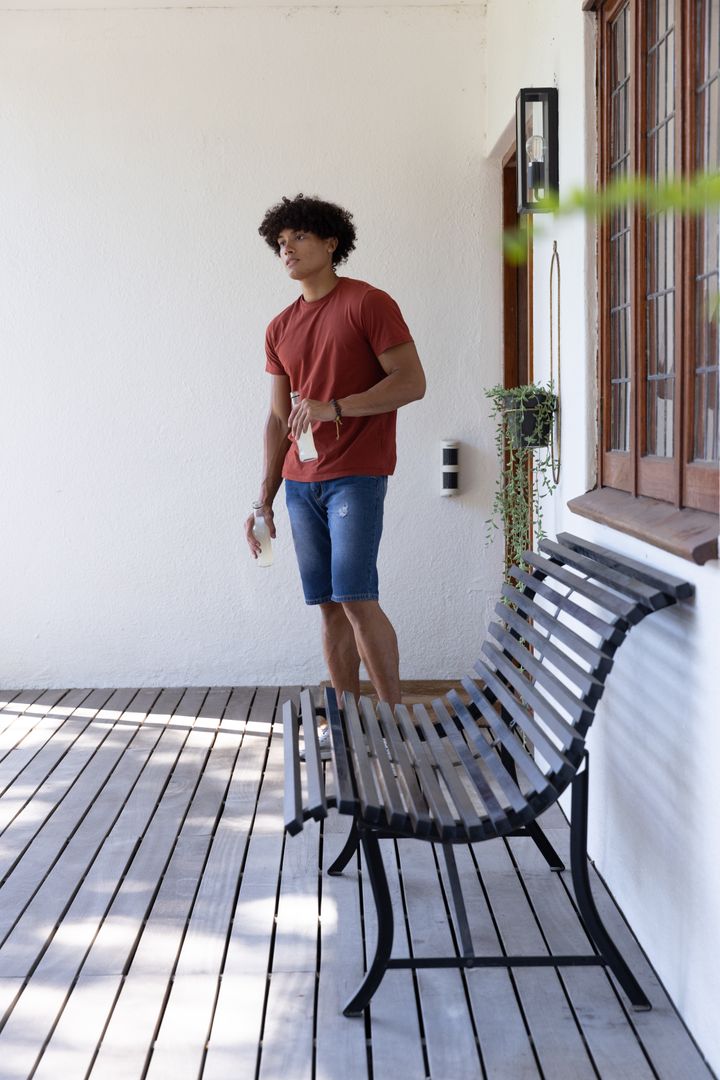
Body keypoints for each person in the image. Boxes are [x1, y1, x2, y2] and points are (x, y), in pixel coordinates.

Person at [246, 194, 426, 740]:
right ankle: (348, 719)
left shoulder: (367, 303)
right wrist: (263, 501)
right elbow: (279, 420)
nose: (288, 250)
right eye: (281, 243)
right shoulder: (279, 327)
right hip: (301, 485)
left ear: (331, 243)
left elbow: (411, 382)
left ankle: (392, 717)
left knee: (355, 595)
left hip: (357, 473)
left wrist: (336, 407)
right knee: (326, 605)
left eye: (299, 237)